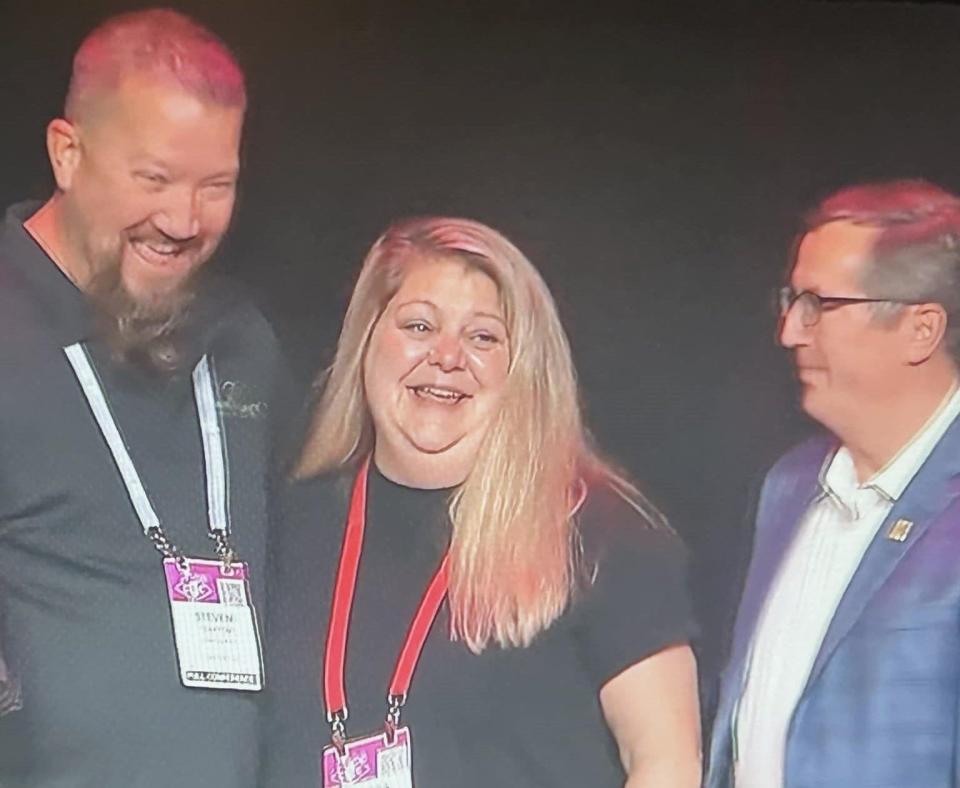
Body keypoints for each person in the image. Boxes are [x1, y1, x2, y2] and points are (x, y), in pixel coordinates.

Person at [262, 217, 701, 787]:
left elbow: (667, 763)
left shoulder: (600, 531)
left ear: (524, 368)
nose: (447, 357)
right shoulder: (293, 522)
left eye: (483, 337)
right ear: (366, 337)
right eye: (419, 325)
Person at [0, 9, 289, 787]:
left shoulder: (242, 343)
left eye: (215, 187)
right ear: (68, 153)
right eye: (153, 179)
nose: (182, 221)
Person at [706, 179, 960, 788]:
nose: (790, 331)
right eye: (791, 302)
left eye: (819, 305)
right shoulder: (790, 487)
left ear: (920, 329)